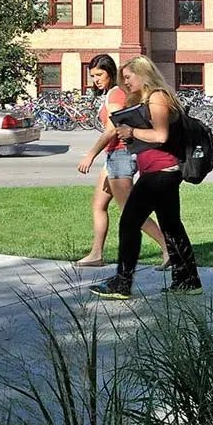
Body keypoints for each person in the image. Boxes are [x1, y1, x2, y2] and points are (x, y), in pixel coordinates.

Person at [84, 57, 202, 299]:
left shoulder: (157, 97)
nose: (125, 83)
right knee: (171, 227)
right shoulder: (147, 100)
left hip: (161, 173)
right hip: (161, 172)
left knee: (129, 222)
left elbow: (160, 135)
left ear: (142, 74)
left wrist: (132, 131)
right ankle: (188, 280)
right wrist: (133, 137)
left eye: (128, 78)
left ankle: (122, 282)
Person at [74, 54, 171, 269]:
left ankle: (168, 248)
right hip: (114, 156)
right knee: (99, 205)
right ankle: (96, 253)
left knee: (130, 211)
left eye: (99, 74)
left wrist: (90, 154)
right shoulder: (114, 93)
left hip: (121, 155)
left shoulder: (115, 93)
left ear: (110, 73)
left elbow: (112, 128)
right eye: (92, 76)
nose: (95, 80)